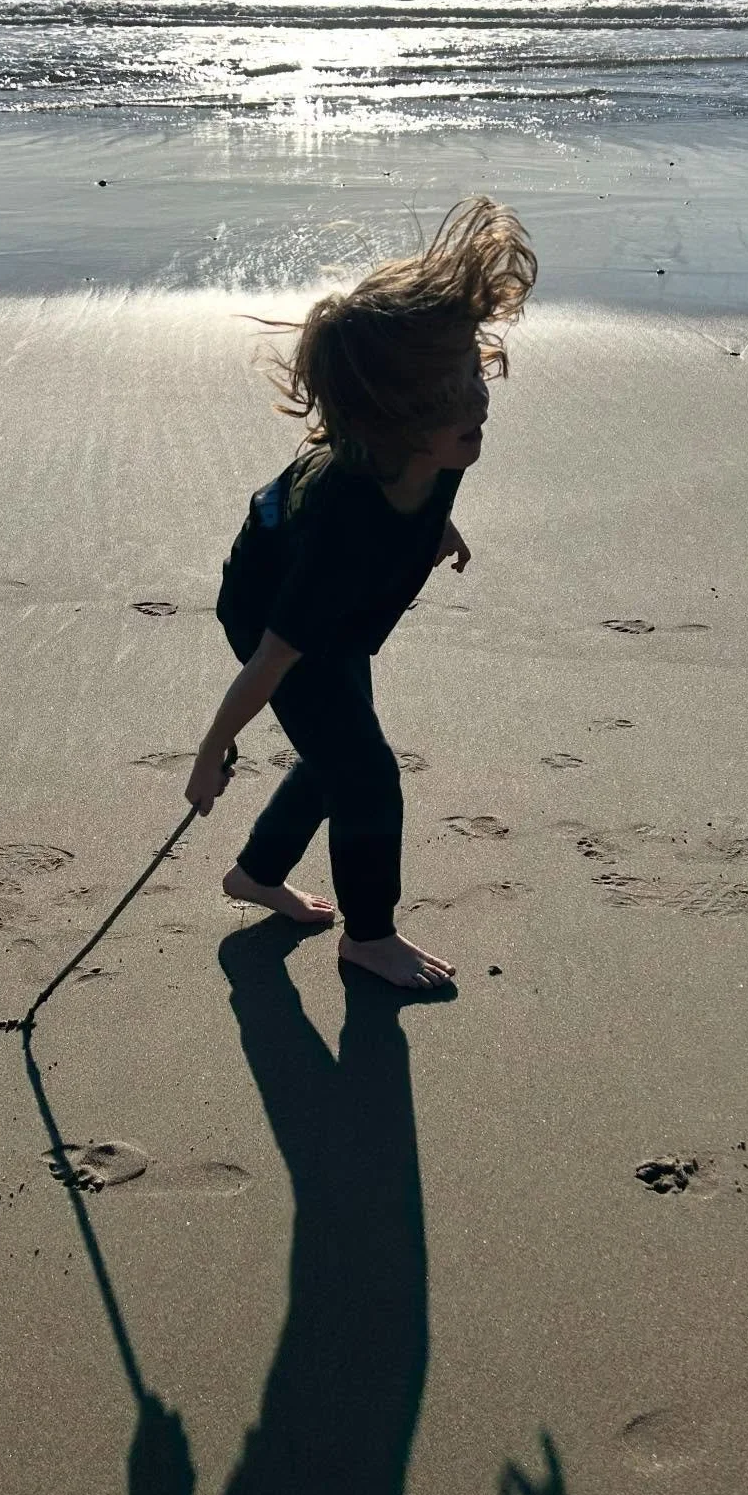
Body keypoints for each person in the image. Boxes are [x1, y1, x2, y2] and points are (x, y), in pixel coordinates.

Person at [185, 195, 537, 991]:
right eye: (447, 401)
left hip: (335, 608)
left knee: (337, 750)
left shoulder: (433, 450)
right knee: (367, 772)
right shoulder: (346, 526)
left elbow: (425, 489)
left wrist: (435, 532)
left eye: (470, 379)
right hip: (278, 610)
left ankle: (256, 874)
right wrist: (210, 754)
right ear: (385, 421)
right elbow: (273, 659)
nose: (474, 405)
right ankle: (367, 938)